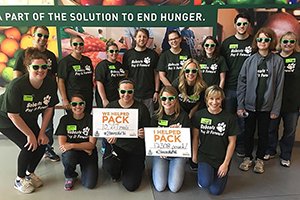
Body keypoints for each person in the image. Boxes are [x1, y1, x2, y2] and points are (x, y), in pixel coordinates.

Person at [0, 48, 59, 194]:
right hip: (6, 119)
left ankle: (29, 173)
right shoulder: (17, 86)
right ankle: (19, 180)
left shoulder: (51, 84)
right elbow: (13, 115)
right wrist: (30, 135)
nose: (41, 70)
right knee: (28, 145)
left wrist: (42, 133)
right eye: (36, 67)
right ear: (28, 68)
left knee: (41, 143)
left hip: (28, 116)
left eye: (44, 67)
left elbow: (49, 109)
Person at [237, 27, 285, 174]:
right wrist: (240, 105)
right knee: (248, 132)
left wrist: (276, 109)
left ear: (271, 42)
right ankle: (247, 157)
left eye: (266, 39)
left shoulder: (277, 61)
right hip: (250, 106)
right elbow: (241, 83)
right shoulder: (249, 61)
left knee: (264, 134)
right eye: (260, 39)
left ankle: (260, 160)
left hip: (267, 107)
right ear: (256, 41)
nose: (262, 42)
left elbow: (279, 87)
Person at [13, 25, 60, 162]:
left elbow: (54, 76)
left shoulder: (51, 56)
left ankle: (47, 148)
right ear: (33, 36)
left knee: (48, 124)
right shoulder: (23, 54)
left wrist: (52, 94)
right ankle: (29, 150)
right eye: (39, 35)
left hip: (45, 97)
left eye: (45, 36)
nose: (42, 38)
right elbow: (17, 74)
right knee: (29, 124)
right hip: (28, 98)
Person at [102, 79, 150, 192]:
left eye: (129, 92)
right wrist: (108, 137)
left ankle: (135, 167)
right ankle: (117, 171)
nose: (126, 95)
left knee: (131, 186)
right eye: (123, 91)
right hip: (116, 146)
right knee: (109, 167)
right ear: (118, 91)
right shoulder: (110, 107)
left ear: (134, 92)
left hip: (135, 149)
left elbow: (147, 130)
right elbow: (103, 130)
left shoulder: (142, 108)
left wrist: (143, 133)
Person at [192, 85, 237, 195]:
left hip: (221, 158)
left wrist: (225, 164)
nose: (214, 102)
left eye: (218, 98)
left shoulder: (229, 118)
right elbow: (195, 137)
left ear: (222, 99)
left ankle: (217, 173)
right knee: (205, 183)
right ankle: (204, 175)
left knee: (216, 191)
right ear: (206, 99)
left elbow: (232, 142)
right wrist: (194, 155)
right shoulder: (199, 115)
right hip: (205, 156)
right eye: (211, 98)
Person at [264, 31, 300, 167]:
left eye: (292, 42)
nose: (288, 44)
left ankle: (285, 155)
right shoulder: (273, 58)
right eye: (285, 41)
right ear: (281, 43)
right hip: (274, 102)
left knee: (289, 131)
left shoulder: (299, 58)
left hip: (293, 103)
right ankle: (271, 150)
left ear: (295, 44)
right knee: (271, 129)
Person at [220, 13, 253, 157]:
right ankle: (225, 145)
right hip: (229, 88)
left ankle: (240, 146)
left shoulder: (253, 43)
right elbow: (221, 65)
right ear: (235, 25)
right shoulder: (227, 43)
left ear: (249, 25)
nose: (242, 26)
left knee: (243, 121)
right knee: (227, 118)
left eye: (245, 24)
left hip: (247, 89)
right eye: (239, 24)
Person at [151, 86, 191, 193]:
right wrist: (160, 150)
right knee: (160, 187)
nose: (167, 101)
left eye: (170, 98)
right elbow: (151, 139)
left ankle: (178, 168)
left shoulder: (183, 117)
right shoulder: (155, 117)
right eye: (164, 99)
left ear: (176, 99)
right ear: (160, 100)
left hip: (177, 155)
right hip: (160, 154)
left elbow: (188, 139)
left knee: (174, 188)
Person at [56, 94, 98, 191]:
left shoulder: (92, 119)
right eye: (74, 104)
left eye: (81, 104)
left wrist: (71, 145)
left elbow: (91, 145)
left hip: (88, 155)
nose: (78, 106)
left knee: (89, 184)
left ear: (85, 105)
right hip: (73, 153)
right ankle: (70, 176)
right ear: (70, 105)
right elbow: (63, 145)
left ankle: (86, 170)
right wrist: (84, 147)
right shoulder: (65, 120)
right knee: (69, 156)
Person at [172, 58, 207, 170]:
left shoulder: (202, 85)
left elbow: (202, 103)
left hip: (195, 112)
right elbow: (173, 101)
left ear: (198, 72)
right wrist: (183, 115)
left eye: (193, 71)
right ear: (184, 72)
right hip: (180, 111)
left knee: (194, 134)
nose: (190, 74)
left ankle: (193, 158)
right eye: (187, 71)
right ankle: (179, 155)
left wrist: (192, 113)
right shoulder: (177, 83)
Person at [123, 28, 160, 115]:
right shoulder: (128, 54)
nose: (142, 39)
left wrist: (156, 91)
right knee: (133, 120)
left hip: (149, 95)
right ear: (135, 38)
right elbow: (125, 75)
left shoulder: (153, 55)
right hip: (132, 95)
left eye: (144, 37)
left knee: (148, 120)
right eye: (139, 36)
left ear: (147, 39)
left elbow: (156, 74)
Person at [58, 35, 94, 114]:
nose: (78, 46)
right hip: (73, 98)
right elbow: (61, 81)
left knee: (86, 121)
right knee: (73, 121)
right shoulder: (65, 62)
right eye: (75, 44)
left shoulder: (87, 60)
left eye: (81, 44)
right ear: (71, 46)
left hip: (87, 97)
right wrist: (64, 99)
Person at [95, 42, 127, 108]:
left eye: (116, 51)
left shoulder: (120, 65)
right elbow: (99, 83)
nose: (114, 53)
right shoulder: (102, 65)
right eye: (111, 51)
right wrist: (104, 99)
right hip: (106, 99)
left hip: (118, 99)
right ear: (107, 52)